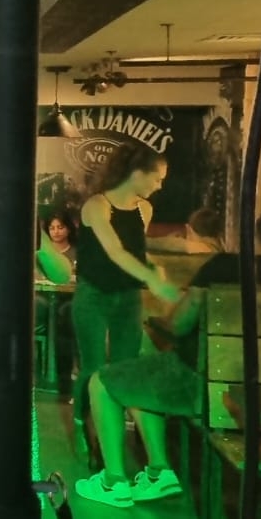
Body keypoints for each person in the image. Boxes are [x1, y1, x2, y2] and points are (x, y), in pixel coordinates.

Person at [75, 209, 261, 507]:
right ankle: (158, 472)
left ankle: (115, 481)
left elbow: (180, 324)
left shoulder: (224, 266)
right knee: (141, 378)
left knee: (102, 382)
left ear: (254, 234)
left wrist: (163, 314)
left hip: (206, 385)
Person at [72, 145, 181, 427]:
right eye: (157, 178)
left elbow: (134, 251)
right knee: (93, 366)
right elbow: (115, 251)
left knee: (126, 367)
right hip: (93, 294)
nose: (160, 186)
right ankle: (83, 425)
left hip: (128, 296)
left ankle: (112, 429)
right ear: (137, 174)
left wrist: (154, 267)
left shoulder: (145, 209)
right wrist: (152, 280)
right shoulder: (97, 205)